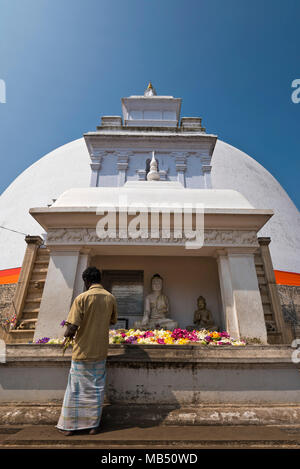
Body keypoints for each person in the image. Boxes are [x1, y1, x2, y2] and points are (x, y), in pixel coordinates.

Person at [56, 266, 118, 436]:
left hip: (82, 351)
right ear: (100, 279)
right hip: (100, 351)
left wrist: (66, 335)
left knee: (76, 390)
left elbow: (71, 329)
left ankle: (70, 427)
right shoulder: (110, 298)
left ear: (86, 281)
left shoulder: (82, 298)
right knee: (96, 390)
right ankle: (93, 426)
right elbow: (112, 320)